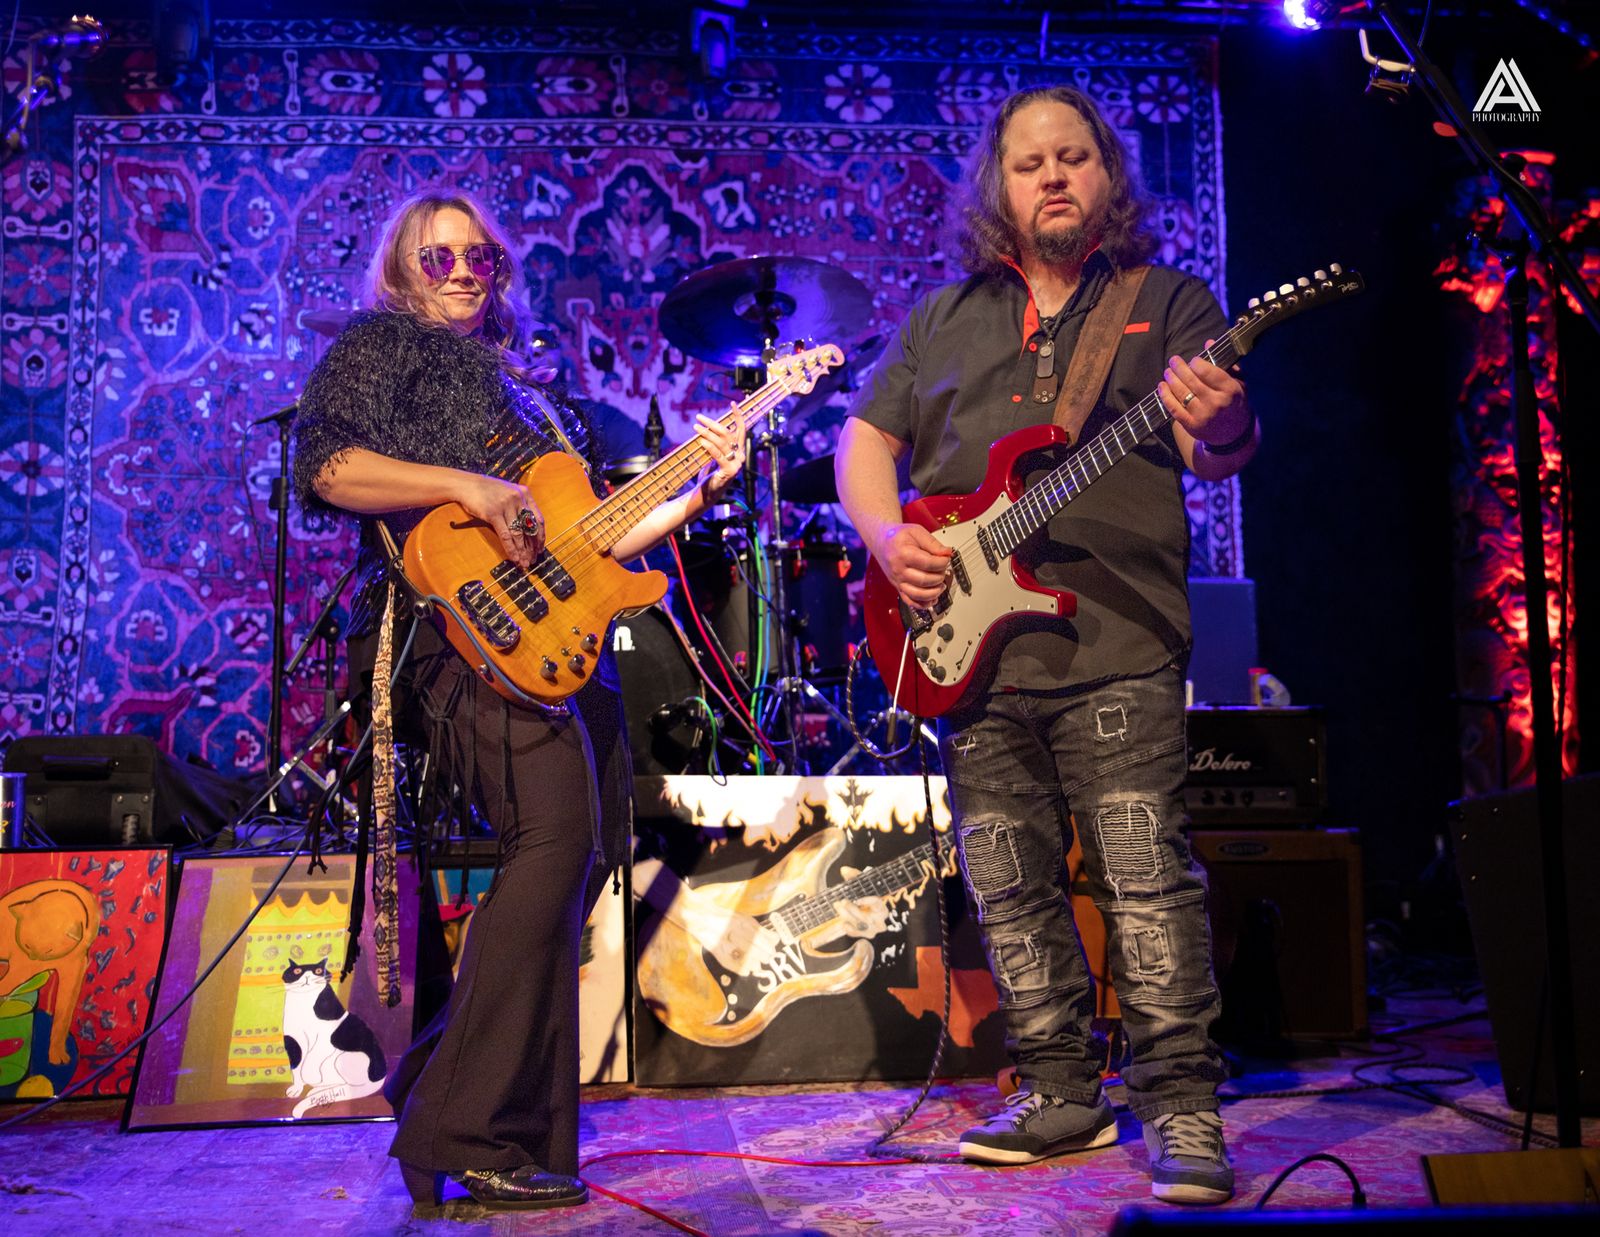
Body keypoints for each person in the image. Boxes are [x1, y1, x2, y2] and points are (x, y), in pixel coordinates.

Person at [834, 85, 1256, 1206]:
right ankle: (1060, 1087)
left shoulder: (1167, 302)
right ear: (999, 189)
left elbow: (1215, 453)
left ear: (1108, 175)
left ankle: (1181, 1102)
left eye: (1074, 157)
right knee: (1011, 886)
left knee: (1143, 882)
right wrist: (887, 540)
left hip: (1118, 640)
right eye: (1029, 164)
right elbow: (862, 441)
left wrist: (1223, 421)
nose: (1053, 176)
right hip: (968, 651)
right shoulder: (945, 315)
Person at [291, 189, 744, 1211]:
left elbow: (593, 541)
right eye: (438, 256)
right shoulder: (381, 348)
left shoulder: (530, 394)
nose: (462, 270)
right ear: (402, 271)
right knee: (552, 843)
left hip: (552, 636)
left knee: (575, 852)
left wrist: (694, 494)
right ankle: (459, 1128)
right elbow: (329, 468)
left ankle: (464, 1106)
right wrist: (464, 486)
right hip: (451, 632)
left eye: (479, 257)